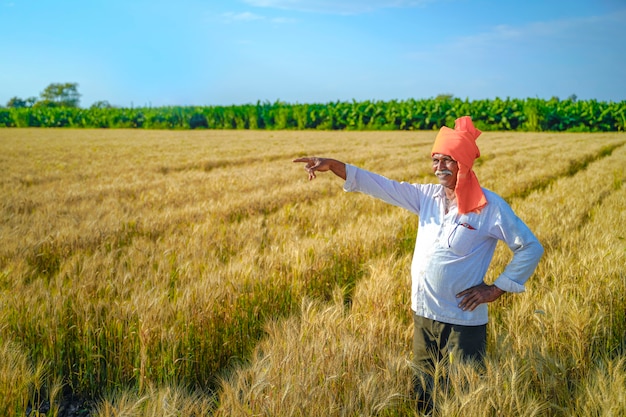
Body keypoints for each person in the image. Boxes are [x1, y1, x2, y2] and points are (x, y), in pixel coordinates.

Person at [293, 116, 544, 411]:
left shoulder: (489, 207)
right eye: (436, 160)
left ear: (463, 163)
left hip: (463, 321)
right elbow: (380, 185)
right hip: (424, 314)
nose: (439, 168)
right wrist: (334, 165)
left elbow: (530, 247)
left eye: (448, 161)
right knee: (424, 395)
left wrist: (496, 289)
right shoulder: (427, 196)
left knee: (465, 398)